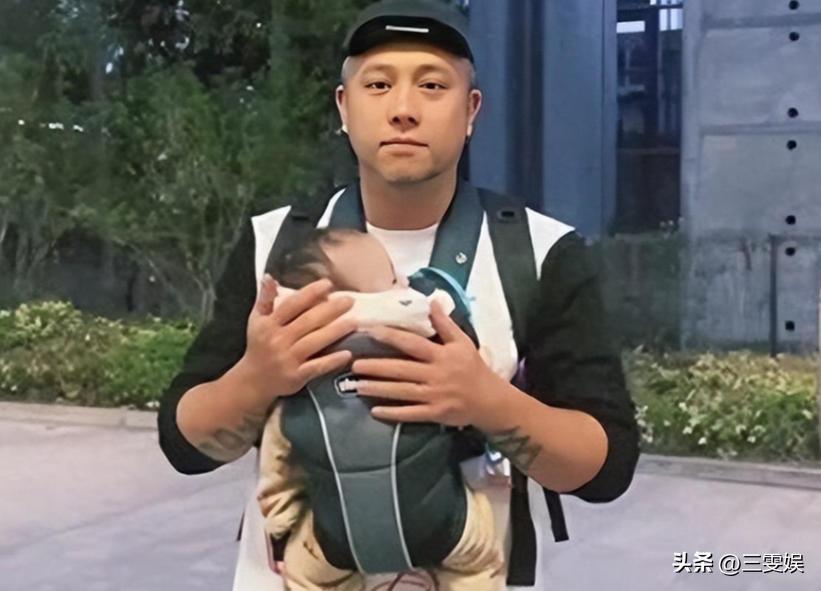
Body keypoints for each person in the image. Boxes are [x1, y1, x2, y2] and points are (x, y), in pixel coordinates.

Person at [157, 1, 640, 589]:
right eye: (378, 85)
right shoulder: (275, 243)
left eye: (432, 86)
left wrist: (487, 402)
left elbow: (606, 469)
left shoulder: (541, 252)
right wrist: (256, 378)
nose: (404, 109)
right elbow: (184, 444)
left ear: (471, 111)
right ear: (344, 107)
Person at [256, 227, 505, 590]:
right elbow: (488, 372)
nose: (405, 281)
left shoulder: (298, 383)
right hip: (445, 524)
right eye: (392, 279)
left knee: (307, 577)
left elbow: (277, 463)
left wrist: (282, 520)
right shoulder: (426, 354)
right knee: (476, 564)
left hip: (335, 538)